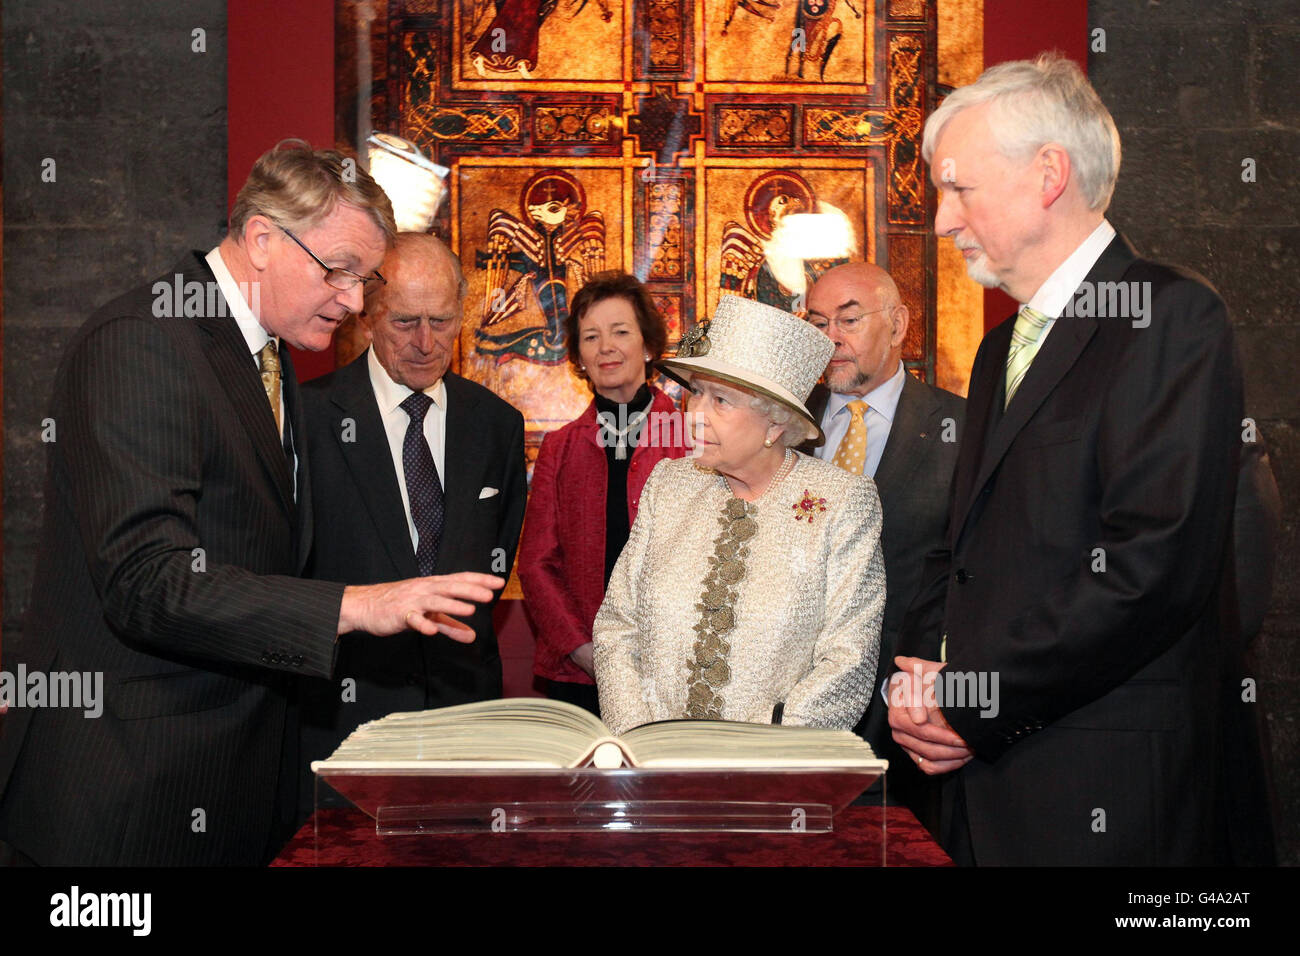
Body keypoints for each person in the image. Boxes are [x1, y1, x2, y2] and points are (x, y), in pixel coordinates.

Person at [0, 141, 503, 866]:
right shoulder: (145, 342)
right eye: (339, 271)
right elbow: (147, 582)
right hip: (130, 795)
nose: (355, 301)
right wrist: (354, 606)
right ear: (263, 238)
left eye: (364, 280)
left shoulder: (266, 356)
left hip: (224, 784)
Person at [887, 54, 1270, 865]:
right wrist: (925, 686)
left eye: (959, 189)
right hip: (984, 785)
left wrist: (974, 704)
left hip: (1108, 790)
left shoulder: (1168, 316)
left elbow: (1151, 569)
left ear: (1048, 175)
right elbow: (967, 555)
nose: (943, 221)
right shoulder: (999, 351)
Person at [593, 294, 884, 735]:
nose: (695, 415)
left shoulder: (842, 502)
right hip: (653, 768)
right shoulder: (669, 484)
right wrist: (638, 742)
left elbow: (848, 658)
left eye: (721, 401)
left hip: (774, 779)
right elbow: (618, 626)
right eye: (696, 393)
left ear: (775, 424)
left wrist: (765, 756)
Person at [298, 234, 526, 776]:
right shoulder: (308, 419)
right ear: (367, 319)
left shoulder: (497, 424)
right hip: (345, 715)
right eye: (404, 322)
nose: (426, 342)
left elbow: (498, 551)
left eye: (442, 321)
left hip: (465, 713)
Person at [801, 262, 964, 831]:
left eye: (849, 319)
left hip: (910, 707)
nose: (831, 338)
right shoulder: (785, 427)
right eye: (817, 322)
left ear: (897, 325)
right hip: (796, 711)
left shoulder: (961, 431)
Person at [517, 272, 688, 715]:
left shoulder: (693, 439)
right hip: (580, 674)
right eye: (591, 336)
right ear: (579, 356)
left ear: (649, 346)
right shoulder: (561, 447)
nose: (606, 346)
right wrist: (582, 649)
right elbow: (537, 564)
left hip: (680, 670)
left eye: (620, 332)